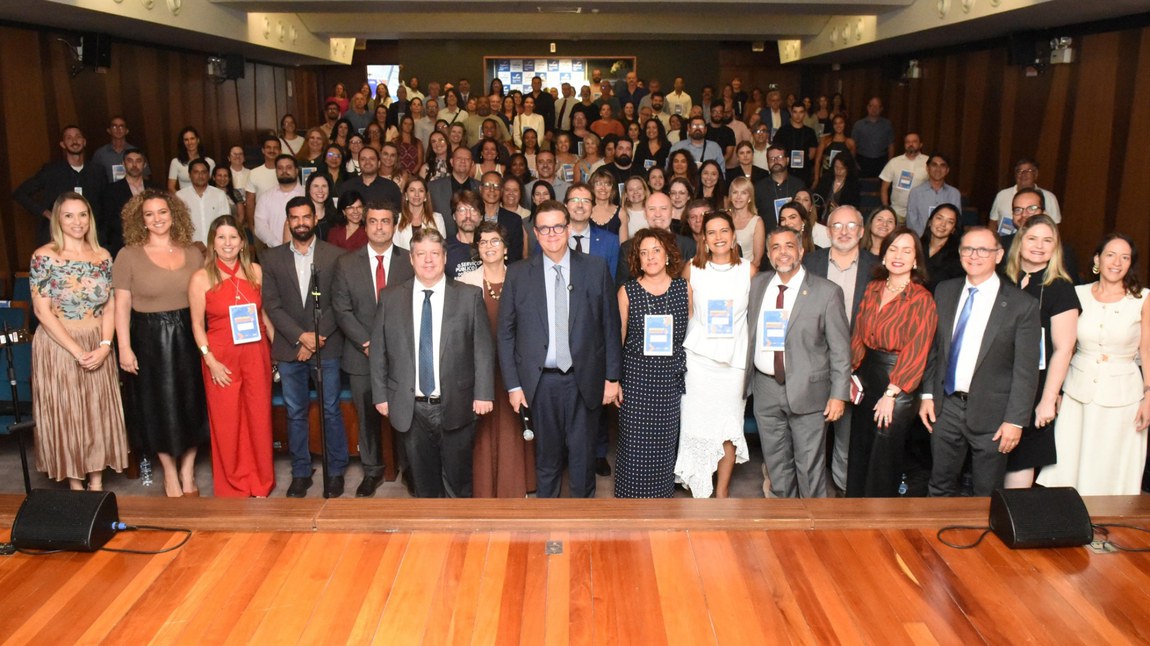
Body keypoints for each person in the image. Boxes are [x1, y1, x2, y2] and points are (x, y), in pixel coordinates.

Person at [497, 200, 622, 498]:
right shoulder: (517, 274)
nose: (551, 233)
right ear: (536, 233)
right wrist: (514, 386)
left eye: (557, 226)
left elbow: (610, 326)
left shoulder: (595, 268)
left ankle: (584, 529)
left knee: (582, 460)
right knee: (547, 461)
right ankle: (547, 522)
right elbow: (505, 334)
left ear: (568, 229)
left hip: (585, 380)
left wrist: (612, 378)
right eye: (544, 228)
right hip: (540, 383)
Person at [370, 227, 493, 498]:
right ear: (411, 259)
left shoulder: (468, 296)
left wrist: (483, 394)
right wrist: (381, 395)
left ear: (445, 258)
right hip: (410, 407)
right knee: (423, 485)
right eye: (421, 254)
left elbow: (482, 350)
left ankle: (460, 537)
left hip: (458, 404)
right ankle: (431, 538)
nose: (428, 260)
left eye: (435, 253)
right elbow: (379, 351)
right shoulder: (390, 297)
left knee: (458, 482)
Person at [920, 227, 1040, 497]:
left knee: (986, 494)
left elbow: (1026, 371)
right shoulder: (945, 291)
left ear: (998, 255)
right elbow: (934, 350)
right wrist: (928, 394)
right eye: (968, 249)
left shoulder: (1023, 305)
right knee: (939, 486)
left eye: (983, 250)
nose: (974, 255)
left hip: (994, 417)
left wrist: (1015, 421)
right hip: (946, 408)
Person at [30, 193, 128, 490]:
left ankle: (96, 482)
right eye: (69, 216)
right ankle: (75, 484)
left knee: (96, 410)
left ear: (90, 218)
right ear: (58, 219)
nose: (77, 222)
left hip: (97, 341)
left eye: (82, 214)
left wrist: (104, 346)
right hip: (59, 343)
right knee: (68, 411)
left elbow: (110, 306)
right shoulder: (44, 256)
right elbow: (41, 310)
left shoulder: (103, 256)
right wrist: (77, 351)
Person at [1037, 233, 1149, 495]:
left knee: (1111, 463)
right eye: (1110, 255)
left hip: (1124, 396)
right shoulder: (1076, 293)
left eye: (1125, 257)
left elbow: (1147, 350)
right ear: (1098, 259)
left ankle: (1109, 524)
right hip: (1078, 391)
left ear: (1130, 263)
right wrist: (1056, 393)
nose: (1116, 262)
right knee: (1071, 461)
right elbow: (1065, 347)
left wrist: (1148, 396)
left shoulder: (1143, 298)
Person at [113, 190, 208, 497]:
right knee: (157, 407)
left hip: (188, 333)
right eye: (149, 214)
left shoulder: (194, 253)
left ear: (174, 214)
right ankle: (168, 472)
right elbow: (121, 306)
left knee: (192, 403)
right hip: (148, 338)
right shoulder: (128, 255)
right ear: (140, 220)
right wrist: (124, 348)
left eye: (162, 212)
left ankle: (188, 470)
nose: (157, 219)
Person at [746, 226, 851, 498]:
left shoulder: (827, 292)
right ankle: (785, 525)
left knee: (809, 466)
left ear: (802, 251)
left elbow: (840, 349)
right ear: (768, 254)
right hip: (766, 388)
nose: (783, 253)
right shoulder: (758, 285)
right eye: (776, 247)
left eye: (789, 246)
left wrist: (838, 395)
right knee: (777, 464)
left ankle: (813, 528)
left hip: (809, 391)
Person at [262, 197, 351, 497]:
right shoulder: (271, 258)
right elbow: (272, 306)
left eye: (305, 217)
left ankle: (335, 470)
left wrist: (313, 338)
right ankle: (301, 472)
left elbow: (339, 303)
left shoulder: (335, 256)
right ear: (288, 221)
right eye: (294, 218)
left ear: (315, 218)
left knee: (330, 410)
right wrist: (302, 337)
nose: (300, 222)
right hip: (290, 347)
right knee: (295, 412)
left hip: (326, 344)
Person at [332, 202, 415, 497]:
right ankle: (372, 471)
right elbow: (341, 309)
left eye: (385, 221)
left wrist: (392, 347)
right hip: (360, 355)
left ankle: (410, 469)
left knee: (407, 413)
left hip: (404, 354)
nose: (379, 226)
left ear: (394, 226)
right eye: (373, 221)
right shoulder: (346, 263)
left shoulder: (410, 260)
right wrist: (369, 344)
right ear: (365, 226)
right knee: (366, 416)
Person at [188, 215, 274, 497]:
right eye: (221, 237)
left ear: (242, 243)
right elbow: (197, 325)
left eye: (233, 237)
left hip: (255, 354)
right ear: (213, 242)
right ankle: (234, 484)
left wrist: (277, 353)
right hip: (220, 357)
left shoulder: (256, 273)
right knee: (228, 422)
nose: (227, 243)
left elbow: (264, 316)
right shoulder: (201, 278)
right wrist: (209, 360)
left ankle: (260, 480)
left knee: (259, 417)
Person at [847, 227, 937, 497]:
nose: (899, 255)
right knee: (860, 448)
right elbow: (858, 336)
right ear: (883, 256)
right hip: (866, 376)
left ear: (916, 260)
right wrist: (850, 373)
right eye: (893, 249)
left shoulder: (922, 299)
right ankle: (853, 516)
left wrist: (891, 393)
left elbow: (917, 350)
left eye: (907, 250)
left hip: (897, 384)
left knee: (883, 456)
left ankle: (878, 523)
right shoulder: (873, 288)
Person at [996, 215, 1079, 488]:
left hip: (1034, 385)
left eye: (1048, 241)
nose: (1039, 246)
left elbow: (1064, 349)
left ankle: (1012, 521)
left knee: (1022, 456)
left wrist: (1048, 399)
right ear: (1019, 241)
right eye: (1032, 238)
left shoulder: (1060, 288)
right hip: (994, 380)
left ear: (1056, 247)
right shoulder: (1000, 278)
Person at [675, 212, 753, 498]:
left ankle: (721, 493)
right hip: (699, 362)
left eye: (724, 231)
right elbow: (687, 314)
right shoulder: (692, 269)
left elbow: (756, 318)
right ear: (704, 239)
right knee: (696, 426)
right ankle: (698, 489)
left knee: (728, 426)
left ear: (733, 236)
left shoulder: (749, 270)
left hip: (733, 365)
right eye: (711, 232)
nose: (718, 237)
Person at [803, 205, 880, 493]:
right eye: (837, 226)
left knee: (848, 441)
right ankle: (809, 499)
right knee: (810, 440)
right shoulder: (810, 263)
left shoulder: (878, 267)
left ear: (861, 232)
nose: (844, 232)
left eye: (851, 226)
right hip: (812, 364)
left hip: (858, 366)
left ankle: (844, 496)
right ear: (827, 231)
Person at [458, 221, 537, 497]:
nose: (488, 246)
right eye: (483, 242)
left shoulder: (523, 277)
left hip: (515, 368)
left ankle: (516, 484)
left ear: (505, 248)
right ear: (476, 248)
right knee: (484, 427)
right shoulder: (463, 283)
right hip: (481, 369)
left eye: (494, 241)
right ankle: (484, 486)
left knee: (514, 423)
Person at [615, 228, 690, 498]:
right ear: (637, 259)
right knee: (634, 447)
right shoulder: (628, 291)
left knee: (664, 446)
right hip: (636, 381)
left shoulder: (684, 288)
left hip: (669, 381)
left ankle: (661, 504)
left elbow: (692, 336)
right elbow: (618, 341)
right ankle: (630, 503)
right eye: (643, 253)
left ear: (668, 255)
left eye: (656, 250)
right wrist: (615, 381)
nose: (650, 257)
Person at [15, 125, 106, 245]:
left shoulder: (97, 171)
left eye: (78, 137)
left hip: (90, 236)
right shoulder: (51, 171)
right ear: (63, 144)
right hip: (58, 237)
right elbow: (20, 193)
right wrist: (46, 212)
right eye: (69, 138)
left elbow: (105, 203)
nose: (74, 141)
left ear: (84, 142)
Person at [989, 158, 1063, 234]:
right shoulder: (1002, 195)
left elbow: (1055, 228)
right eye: (1019, 171)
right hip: (1005, 243)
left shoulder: (1049, 198)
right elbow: (993, 223)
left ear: (1036, 174)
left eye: (1028, 171)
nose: (1023, 174)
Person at [176, 159, 232, 247]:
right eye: (196, 172)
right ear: (189, 175)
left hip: (215, 247)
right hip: (189, 248)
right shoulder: (180, 197)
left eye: (204, 172)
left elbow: (225, 223)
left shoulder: (219, 195)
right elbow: (177, 226)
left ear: (209, 175)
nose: (200, 175)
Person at [906, 154, 962, 236]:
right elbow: (911, 223)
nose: (938, 169)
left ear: (947, 170)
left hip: (946, 243)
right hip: (920, 241)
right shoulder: (915, 193)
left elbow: (956, 222)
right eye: (934, 165)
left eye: (942, 166)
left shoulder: (954, 194)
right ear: (927, 168)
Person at [878, 133, 928, 222]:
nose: (911, 144)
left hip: (920, 213)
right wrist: (886, 209)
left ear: (921, 144)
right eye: (907, 142)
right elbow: (884, 188)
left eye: (914, 142)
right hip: (897, 212)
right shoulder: (894, 162)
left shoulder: (928, 162)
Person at [920, 203, 964, 291]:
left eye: (950, 222)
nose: (943, 224)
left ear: (953, 229)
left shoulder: (958, 256)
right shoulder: (915, 246)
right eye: (939, 218)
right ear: (930, 222)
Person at [850, 97, 894, 177]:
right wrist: (854, 163)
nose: (874, 109)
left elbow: (891, 145)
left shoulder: (887, 124)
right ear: (867, 107)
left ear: (881, 109)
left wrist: (889, 163)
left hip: (881, 161)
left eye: (877, 107)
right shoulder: (858, 125)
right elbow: (852, 146)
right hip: (862, 161)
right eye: (871, 106)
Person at [728, 177, 765, 267]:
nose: (738, 197)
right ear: (730, 196)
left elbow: (757, 260)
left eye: (743, 193)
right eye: (735, 192)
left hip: (748, 275)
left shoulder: (757, 222)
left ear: (750, 197)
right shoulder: (724, 219)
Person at [812, 114, 857, 187]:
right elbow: (817, 161)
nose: (838, 125)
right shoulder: (825, 140)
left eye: (841, 122)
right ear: (832, 125)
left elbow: (851, 163)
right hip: (826, 176)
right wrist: (816, 179)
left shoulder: (850, 143)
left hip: (843, 178)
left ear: (845, 124)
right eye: (835, 123)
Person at [168, 126, 215, 192]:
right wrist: (181, 201)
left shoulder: (210, 162)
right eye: (186, 140)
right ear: (183, 142)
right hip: (183, 200)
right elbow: (171, 187)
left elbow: (213, 185)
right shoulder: (176, 162)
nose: (190, 142)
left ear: (198, 140)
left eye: (192, 138)